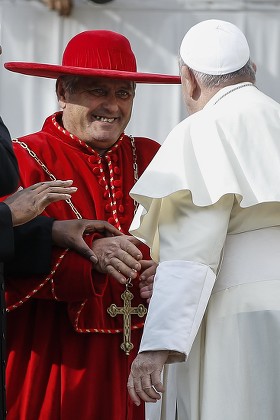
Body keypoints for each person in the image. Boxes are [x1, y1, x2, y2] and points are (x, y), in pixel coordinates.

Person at [3, 30, 180, 420]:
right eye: (98, 91)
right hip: (50, 354)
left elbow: (186, 241)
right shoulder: (22, 157)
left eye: (124, 94)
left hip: (133, 361)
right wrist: (85, 262)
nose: (112, 107)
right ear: (63, 91)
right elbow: (5, 254)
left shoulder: (155, 158)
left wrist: (165, 270)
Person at [127, 19, 280, 420]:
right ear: (253, 73)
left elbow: (191, 255)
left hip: (237, 315)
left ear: (189, 79)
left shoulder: (203, 129)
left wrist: (157, 346)